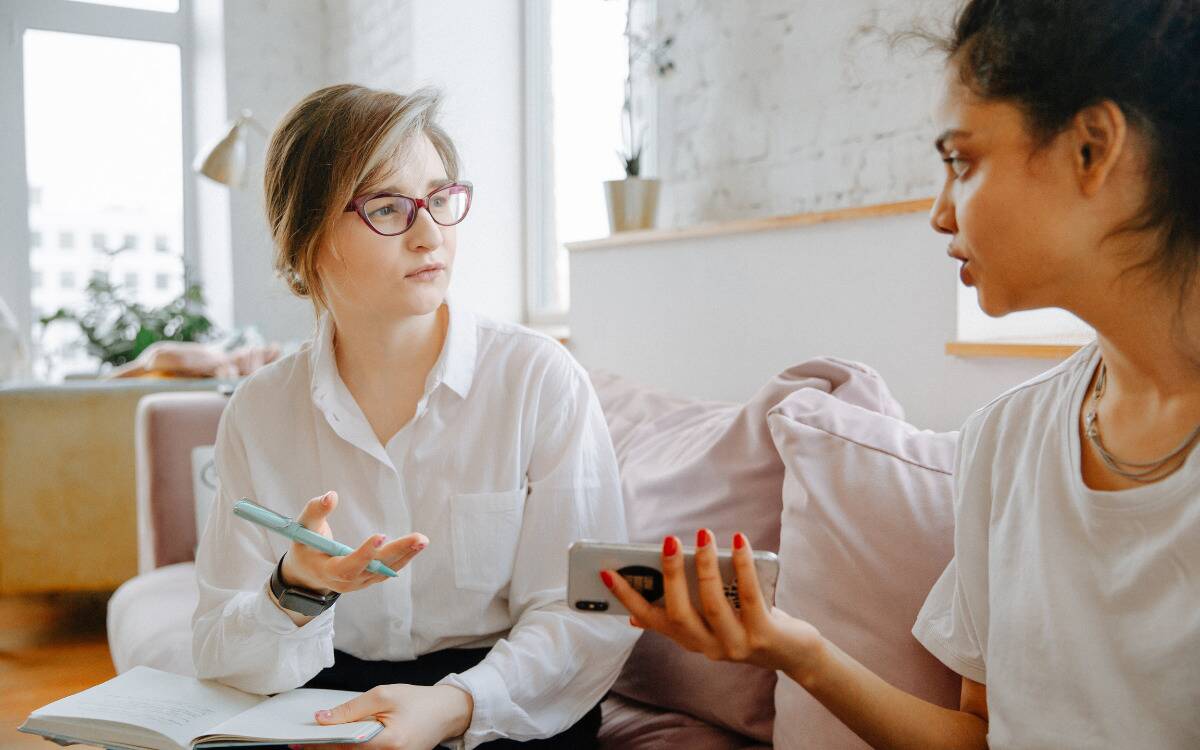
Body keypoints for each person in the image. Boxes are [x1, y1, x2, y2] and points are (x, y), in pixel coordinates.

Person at [604, 1, 1200, 747]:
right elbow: (978, 737)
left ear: (1092, 147)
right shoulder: (1006, 442)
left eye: (961, 161)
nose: (940, 213)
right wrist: (795, 650)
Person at [192, 84, 638, 750]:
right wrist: (293, 591)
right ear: (308, 237)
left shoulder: (537, 380)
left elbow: (586, 618)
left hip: (505, 701)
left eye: (439, 199)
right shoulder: (259, 413)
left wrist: (455, 705)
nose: (431, 234)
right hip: (327, 697)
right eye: (387, 208)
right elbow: (217, 647)